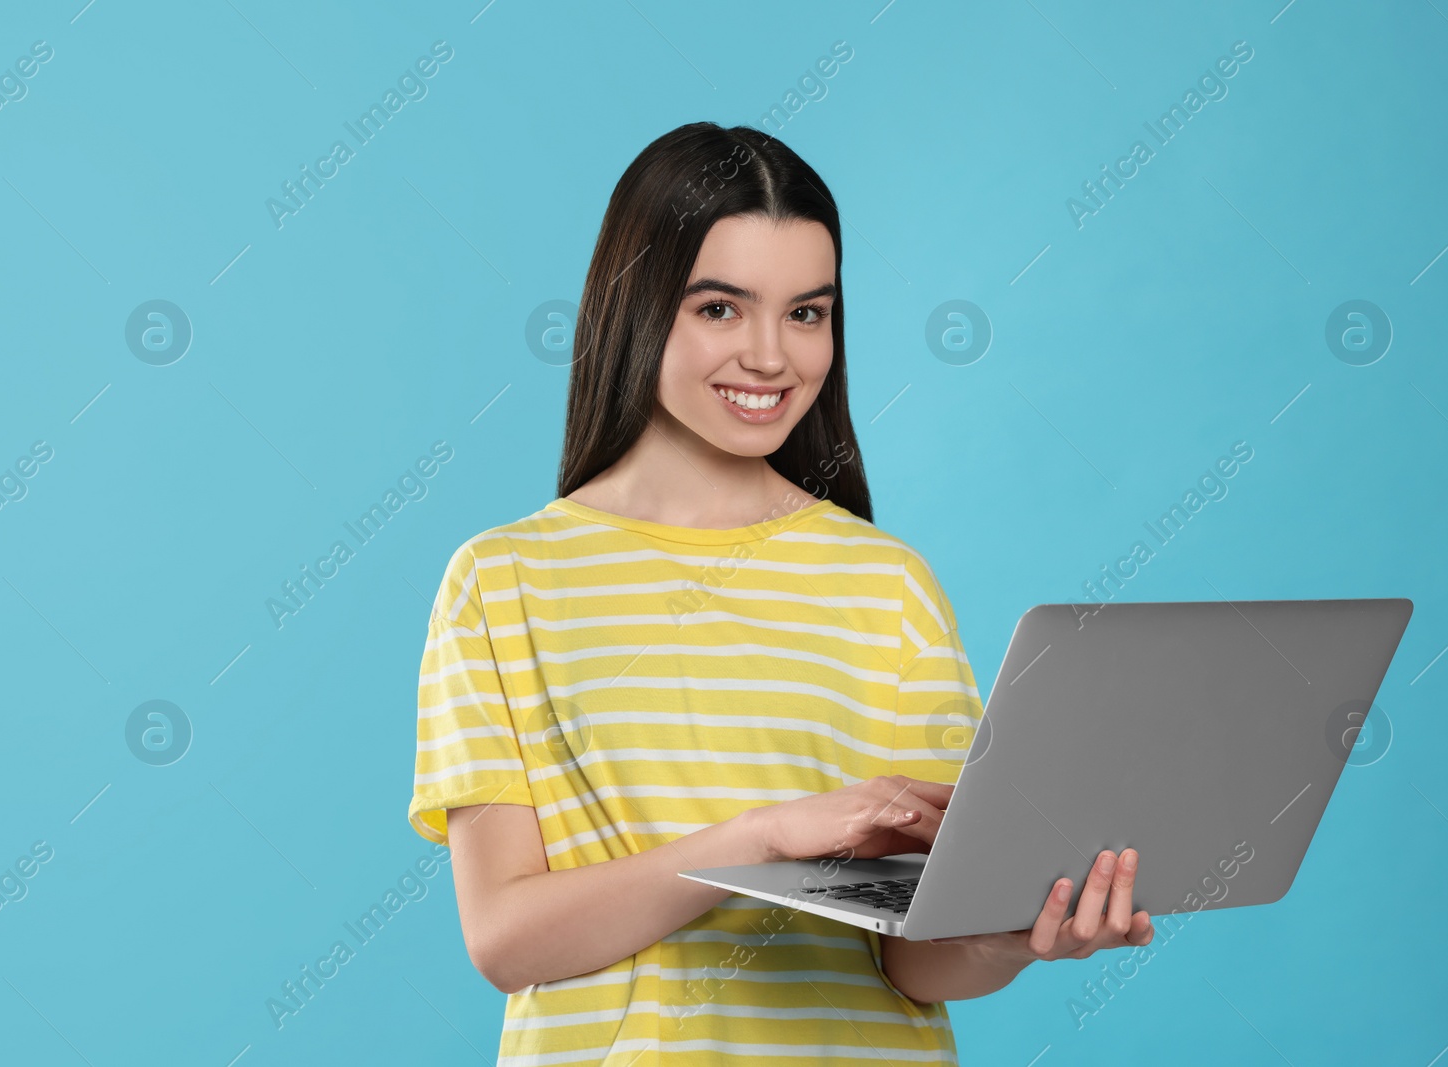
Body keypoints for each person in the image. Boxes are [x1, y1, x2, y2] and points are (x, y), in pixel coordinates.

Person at [407, 121, 1154, 1065]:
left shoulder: (887, 583)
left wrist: (1009, 936)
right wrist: (755, 843)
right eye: (720, 308)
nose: (772, 357)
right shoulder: (503, 581)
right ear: (634, 308)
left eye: (807, 312)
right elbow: (506, 938)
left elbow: (916, 957)